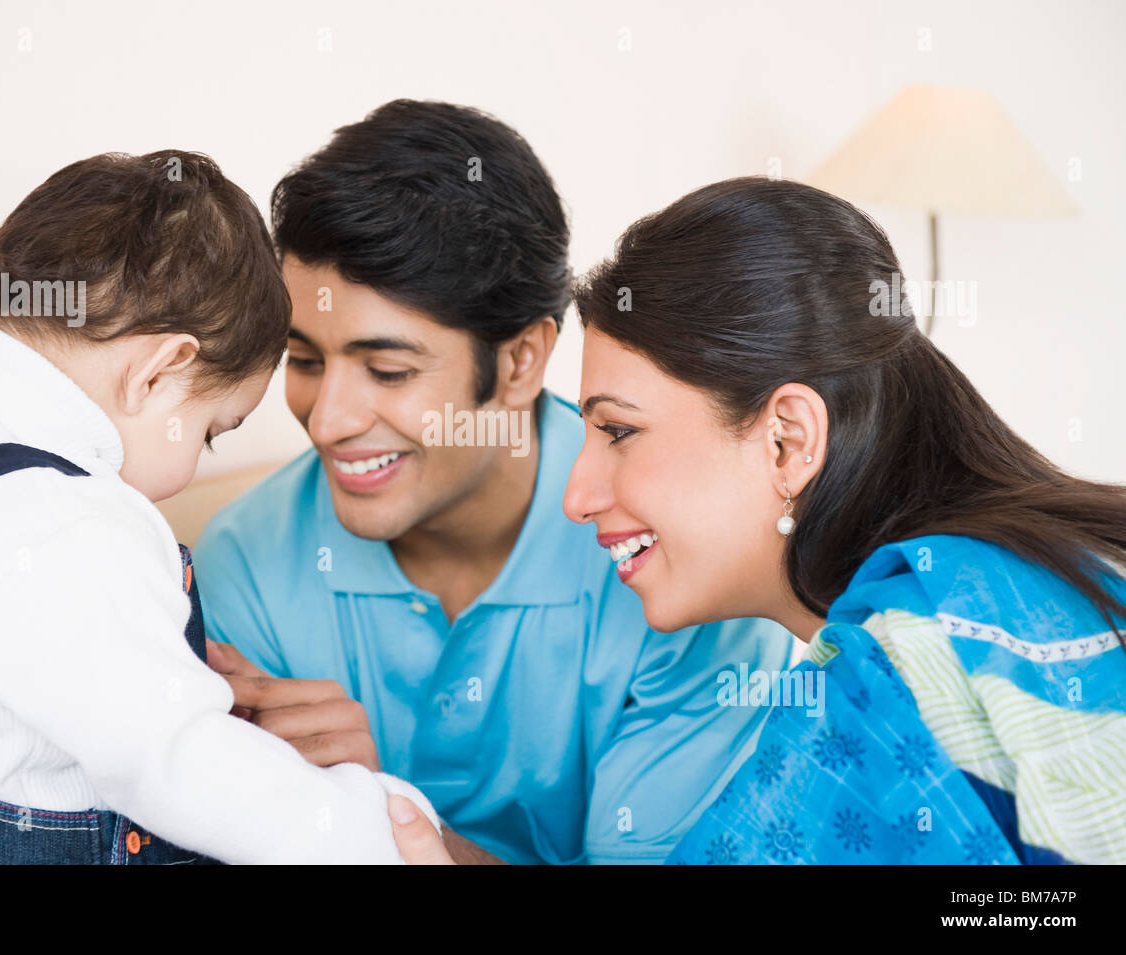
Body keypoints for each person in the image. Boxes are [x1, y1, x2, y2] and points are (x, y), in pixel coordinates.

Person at [389, 176, 1126, 864]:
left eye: (618, 431)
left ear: (788, 440)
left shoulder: (909, 658)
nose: (576, 496)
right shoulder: (1037, 576)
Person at [193, 101, 794, 864]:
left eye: (388, 370)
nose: (327, 420)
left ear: (519, 362)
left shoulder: (686, 561)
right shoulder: (243, 561)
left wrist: (375, 812)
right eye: (305, 359)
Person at [0, 150, 440, 865]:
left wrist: (144, 659)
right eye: (211, 433)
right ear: (158, 373)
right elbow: (186, 764)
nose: (193, 462)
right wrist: (388, 828)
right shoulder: (70, 524)